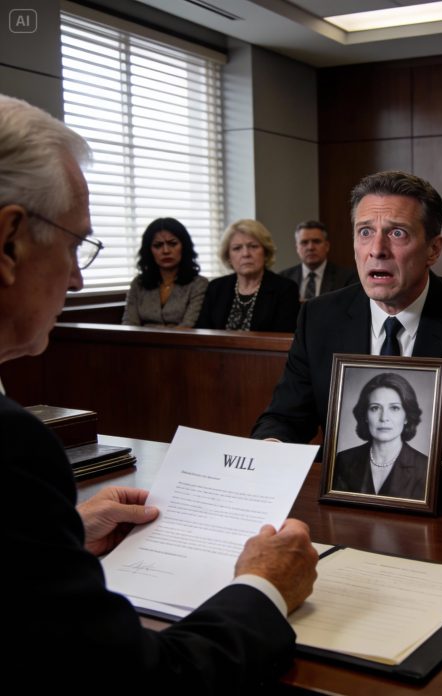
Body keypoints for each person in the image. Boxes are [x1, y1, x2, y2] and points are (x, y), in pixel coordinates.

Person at [0, 94, 317, 692]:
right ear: (9, 241)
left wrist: (62, 531)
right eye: (74, 244)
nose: (78, 279)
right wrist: (264, 585)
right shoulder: (11, 445)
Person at [253, 170, 442, 484]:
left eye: (397, 233)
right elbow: (284, 417)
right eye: (365, 232)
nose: (377, 249)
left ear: (433, 249)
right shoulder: (319, 317)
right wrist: (269, 449)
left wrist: (423, 481)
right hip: (342, 493)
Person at [333, 372, 428, 499]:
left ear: (407, 416)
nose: (384, 418)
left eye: (394, 408)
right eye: (375, 408)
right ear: (365, 416)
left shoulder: (425, 467)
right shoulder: (344, 460)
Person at [196, 219, 300, 331]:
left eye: (253, 246)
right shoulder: (216, 287)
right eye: (237, 248)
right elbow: (203, 332)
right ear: (228, 257)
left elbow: (284, 336)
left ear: (265, 252)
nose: (246, 254)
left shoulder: (285, 289)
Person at [122, 217, 208, 327]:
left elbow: (188, 326)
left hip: (181, 338)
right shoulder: (138, 284)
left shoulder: (198, 284)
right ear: (149, 250)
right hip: (141, 338)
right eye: (158, 245)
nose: (166, 251)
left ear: (184, 246)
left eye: (172, 244)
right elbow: (129, 324)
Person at [279, 220, 357, 300]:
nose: (310, 247)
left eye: (316, 241)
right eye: (304, 242)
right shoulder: (283, 278)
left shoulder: (346, 278)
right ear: (297, 248)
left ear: (327, 246)